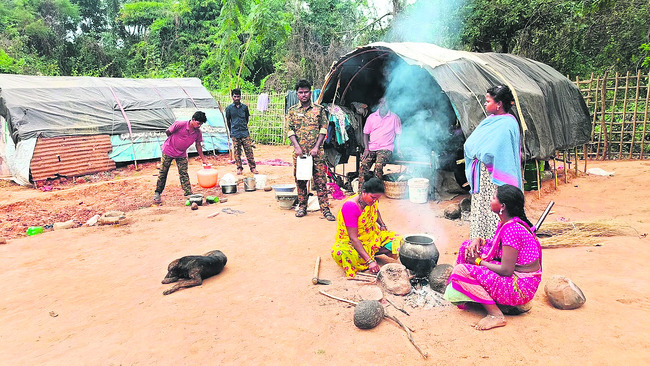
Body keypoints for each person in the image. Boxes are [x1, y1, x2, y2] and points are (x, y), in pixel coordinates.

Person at [444, 184, 542, 330]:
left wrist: (478, 261)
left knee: (460, 270)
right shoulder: (507, 223)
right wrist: (479, 240)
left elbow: (506, 270)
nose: (490, 200)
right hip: (515, 275)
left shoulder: (511, 229)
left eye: (493, 197)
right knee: (467, 246)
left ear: (502, 206)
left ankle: (496, 315)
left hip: (520, 287)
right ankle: (474, 295)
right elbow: (497, 247)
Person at [464, 85, 522, 240]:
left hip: (495, 179)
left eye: (487, 100)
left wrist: (479, 152)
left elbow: (494, 151)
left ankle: (494, 244)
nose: (484, 104)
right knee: (481, 209)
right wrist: (478, 151)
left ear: (499, 104)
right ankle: (479, 242)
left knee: (495, 209)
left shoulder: (507, 124)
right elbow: (470, 144)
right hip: (483, 178)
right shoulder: (489, 121)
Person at [331, 172, 402, 277]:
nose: (374, 201)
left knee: (399, 240)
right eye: (373, 198)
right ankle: (367, 256)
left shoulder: (371, 201)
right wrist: (369, 261)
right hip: (352, 242)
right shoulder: (351, 207)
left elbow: (376, 211)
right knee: (340, 252)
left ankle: (370, 253)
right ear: (364, 192)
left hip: (371, 236)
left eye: (377, 199)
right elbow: (353, 238)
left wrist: (382, 225)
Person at [286, 79, 335, 221]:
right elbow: (289, 130)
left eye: (306, 92)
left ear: (310, 92)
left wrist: (316, 147)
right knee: (300, 180)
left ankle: (325, 209)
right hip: (300, 153)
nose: (303, 95)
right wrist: (297, 147)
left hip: (317, 153)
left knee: (320, 180)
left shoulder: (319, 110)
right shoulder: (292, 111)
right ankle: (302, 206)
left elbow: (323, 129)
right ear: (297, 94)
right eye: (300, 92)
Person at [153, 111, 208, 204]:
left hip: (181, 153)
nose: (199, 126)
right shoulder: (180, 124)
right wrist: (172, 140)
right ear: (193, 120)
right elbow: (168, 131)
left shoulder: (197, 132)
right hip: (168, 150)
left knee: (184, 173)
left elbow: (198, 145)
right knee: (163, 172)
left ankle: (188, 193)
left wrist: (203, 159)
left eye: (201, 124)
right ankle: (157, 192)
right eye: (198, 123)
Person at [358, 98, 402, 187]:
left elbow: (398, 135)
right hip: (372, 148)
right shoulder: (371, 117)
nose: (383, 105)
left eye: (385, 103)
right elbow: (365, 134)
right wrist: (366, 149)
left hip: (386, 148)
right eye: (381, 103)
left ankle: (375, 191)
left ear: (389, 105)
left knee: (378, 166)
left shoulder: (394, 118)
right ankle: (361, 191)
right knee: (363, 166)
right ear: (378, 105)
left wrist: (398, 149)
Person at [225, 88, 258, 175]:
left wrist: (243, 126)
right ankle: (239, 167)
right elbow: (228, 121)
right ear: (232, 97)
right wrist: (231, 131)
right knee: (237, 152)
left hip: (244, 132)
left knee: (249, 150)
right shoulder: (229, 109)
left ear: (240, 97)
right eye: (235, 96)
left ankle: (253, 167)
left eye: (238, 96)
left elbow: (247, 119)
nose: (236, 98)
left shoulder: (244, 108)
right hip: (235, 133)